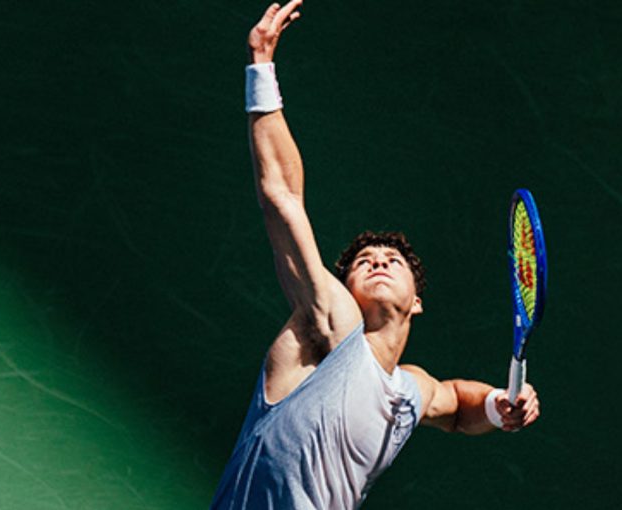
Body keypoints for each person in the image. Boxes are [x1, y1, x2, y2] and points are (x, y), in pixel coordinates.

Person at [211, 2, 540, 508]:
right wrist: (261, 70)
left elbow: (456, 406)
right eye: (363, 262)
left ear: (417, 302)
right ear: (343, 289)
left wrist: (499, 406)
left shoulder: (409, 391)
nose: (379, 261)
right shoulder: (328, 328)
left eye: (392, 260)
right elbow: (282, 196)